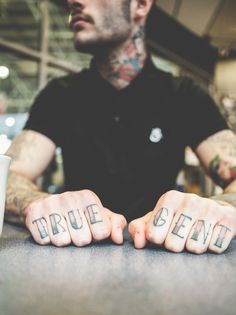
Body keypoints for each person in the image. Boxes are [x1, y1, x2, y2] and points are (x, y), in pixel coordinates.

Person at [5, 0, 236, 253]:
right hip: (74, 261)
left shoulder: (185, 96)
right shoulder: (60, 96)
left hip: (165, 261)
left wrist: (221, 207)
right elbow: (9, 175)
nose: (74, 1)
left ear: (140, 5)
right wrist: (35, 202)